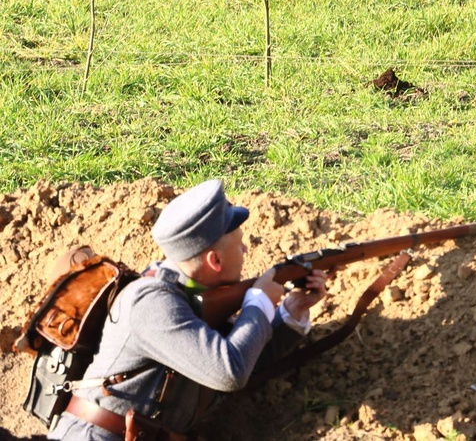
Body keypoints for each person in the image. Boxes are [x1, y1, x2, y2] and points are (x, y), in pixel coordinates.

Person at [48, 179, 328, 440]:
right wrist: (259, 301)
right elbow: (229, 371)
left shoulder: (195, 296)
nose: (244, 249)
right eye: (239, 242)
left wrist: (291, 311)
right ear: (214, 260)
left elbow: (247, 359)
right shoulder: (152, 301)